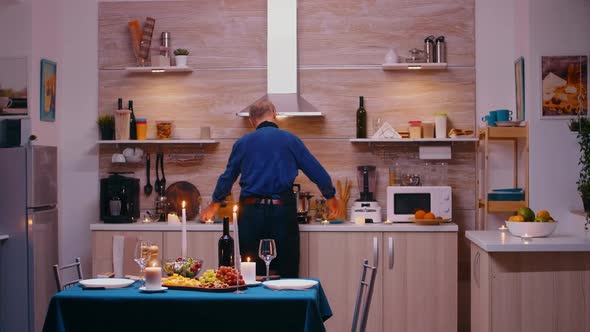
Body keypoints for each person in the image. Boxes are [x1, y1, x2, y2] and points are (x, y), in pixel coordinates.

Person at [200, 100, 338, 278]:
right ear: (274, 114)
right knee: (287, 272)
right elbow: (316, 171)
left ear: (251, 120)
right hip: (282, 212)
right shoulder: (290, 140)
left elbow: (228, 177)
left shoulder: (242, 143)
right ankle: (288, 305)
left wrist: (215, 204)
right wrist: (331, 196)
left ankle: (255, 304)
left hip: (250, 214)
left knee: (250, 273)